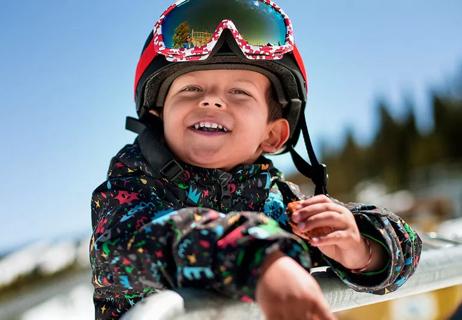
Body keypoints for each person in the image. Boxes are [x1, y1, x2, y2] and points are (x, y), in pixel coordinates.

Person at [90, 1, 422, 319]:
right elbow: (131, 246)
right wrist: (262, 259)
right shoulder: (129, 190)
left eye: (239, 92)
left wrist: (360, 247)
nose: (212, 101)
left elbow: (406, 245)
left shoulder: (278, 205)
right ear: (158, 117)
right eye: (190, 89)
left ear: (272, 135)